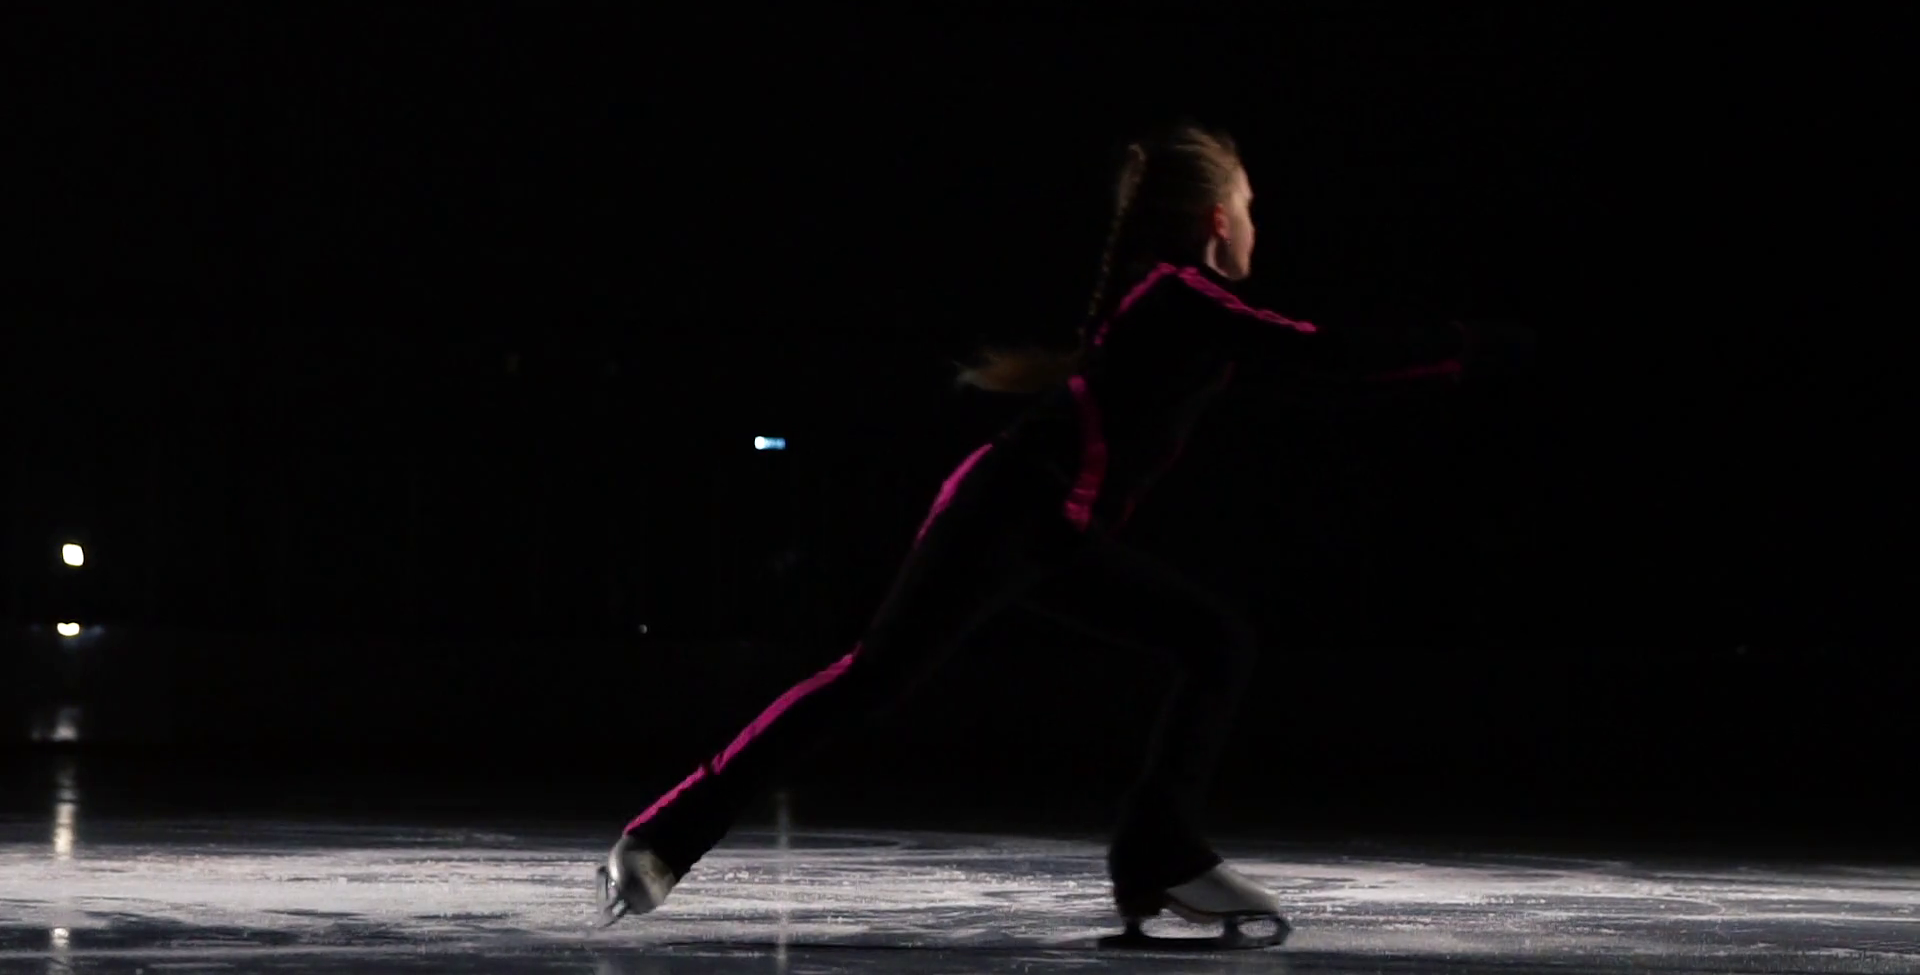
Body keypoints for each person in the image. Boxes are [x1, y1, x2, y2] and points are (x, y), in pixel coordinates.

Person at [599, 122, 1527, 946]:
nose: (1254, 224)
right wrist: (1466, 345)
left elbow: (1298, 369)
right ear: (1215, 217)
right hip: (1009, 511)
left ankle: (1158, 856)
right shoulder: (1182, 296)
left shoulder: (1175, 306)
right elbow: (1317, 349)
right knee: (870, 682)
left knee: (1212, 641)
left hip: (1049, 526)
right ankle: (659, 837)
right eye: (1248, 205)